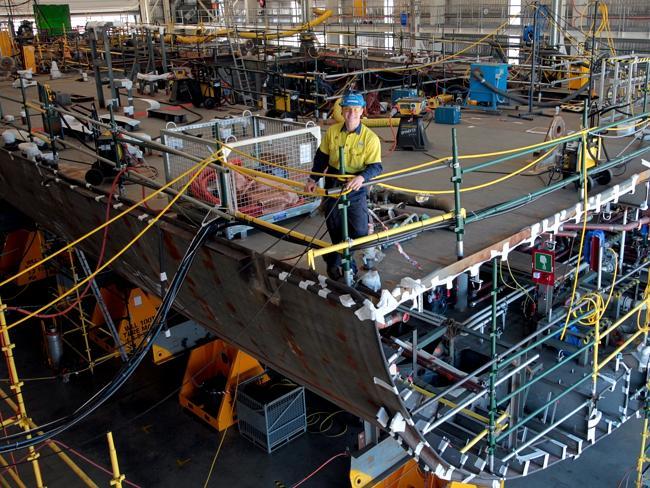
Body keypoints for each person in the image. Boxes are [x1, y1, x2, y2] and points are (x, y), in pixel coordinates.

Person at [304, 92, 383, 280]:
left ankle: (334, 257)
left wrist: (362, 178)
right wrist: (313, 179)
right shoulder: (332, 132)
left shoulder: (370, 138)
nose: (351, 114)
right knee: (335, 227)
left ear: (362, 111)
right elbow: (321, 157)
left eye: (355, 110)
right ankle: (346, 266)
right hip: (333, 185)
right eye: (347, 110)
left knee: (360, 231)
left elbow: (376, 166)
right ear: (342, 111)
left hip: (355, 188)